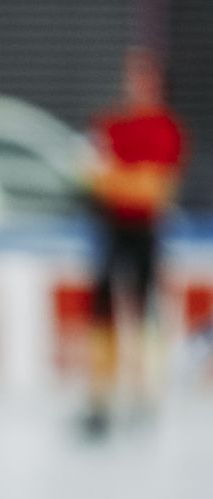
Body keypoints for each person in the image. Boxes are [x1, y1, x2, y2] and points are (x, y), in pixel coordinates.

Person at [81, 47, 186, 439]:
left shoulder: (166, 128)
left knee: (144, 314)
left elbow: (153, 189)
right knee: (103, 314)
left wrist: (119, 180)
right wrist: (125, 181)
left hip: (144, 231)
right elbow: (94, 178)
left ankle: (145, 395)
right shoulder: (110, 123)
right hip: (112, 229)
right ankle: (101, 398)